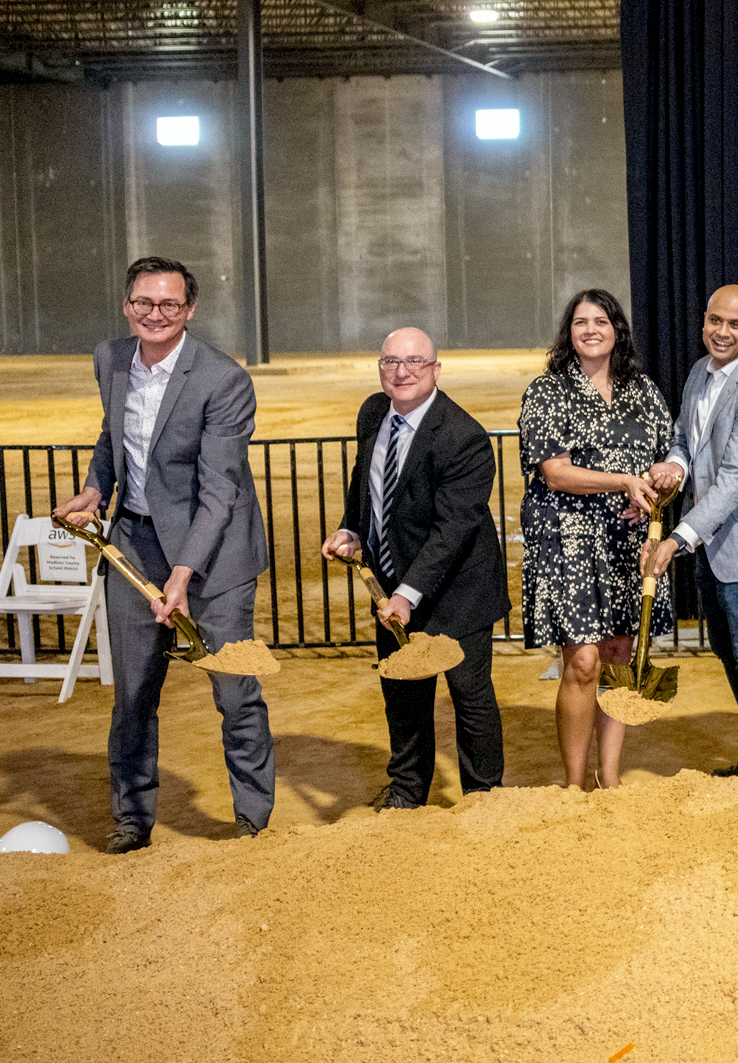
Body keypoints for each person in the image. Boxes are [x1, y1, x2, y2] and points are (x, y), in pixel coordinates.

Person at [53, 256, 274, 853]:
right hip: (135, 543)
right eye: (144, 303)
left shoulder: (223, 380)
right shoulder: (109, 358)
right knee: (133, 696)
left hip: (216, 555)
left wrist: (181, 575)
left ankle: (252, 821)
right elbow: (114, 434)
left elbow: (220, 489)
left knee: (233, 690)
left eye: (169, 305)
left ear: (189, 310)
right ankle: (131, 819)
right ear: (127, 306)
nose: (156, 314)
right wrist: (98, 486)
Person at [321, 327, 509, 810]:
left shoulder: (464, 437)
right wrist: (351, 531)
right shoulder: (372, 413)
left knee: (469, 696)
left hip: (457, 590)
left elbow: (453, 531)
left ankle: (483, 796)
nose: (401, 372)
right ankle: (407, 790)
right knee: (403, 691)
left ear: (436, 370)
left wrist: (407, 594)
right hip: (392, 586)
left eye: (414, 362)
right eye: (390, 361)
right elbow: (367, 486)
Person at [518, 289, 675, 790]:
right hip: (567, 543)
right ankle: (573, 781)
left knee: (618, 658)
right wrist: (623, 481)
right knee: (583, 661)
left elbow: (666, 454)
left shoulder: (643, 391)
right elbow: (556, 473)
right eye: (580, 321)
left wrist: (655, 481)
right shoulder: (546, 392)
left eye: (601, 320)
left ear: (617, 331)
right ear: (569, 333)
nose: (590, 329)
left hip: (626, 540)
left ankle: (610, 777)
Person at [641, 285, 738, 779]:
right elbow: (685, 439)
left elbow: (735, 480)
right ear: (704, 321)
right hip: (713, 545)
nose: (722, 332)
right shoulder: (698, 372)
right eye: (715, 321)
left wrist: (676, 539)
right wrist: (673, 466)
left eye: (735, 325)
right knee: (732, 656)